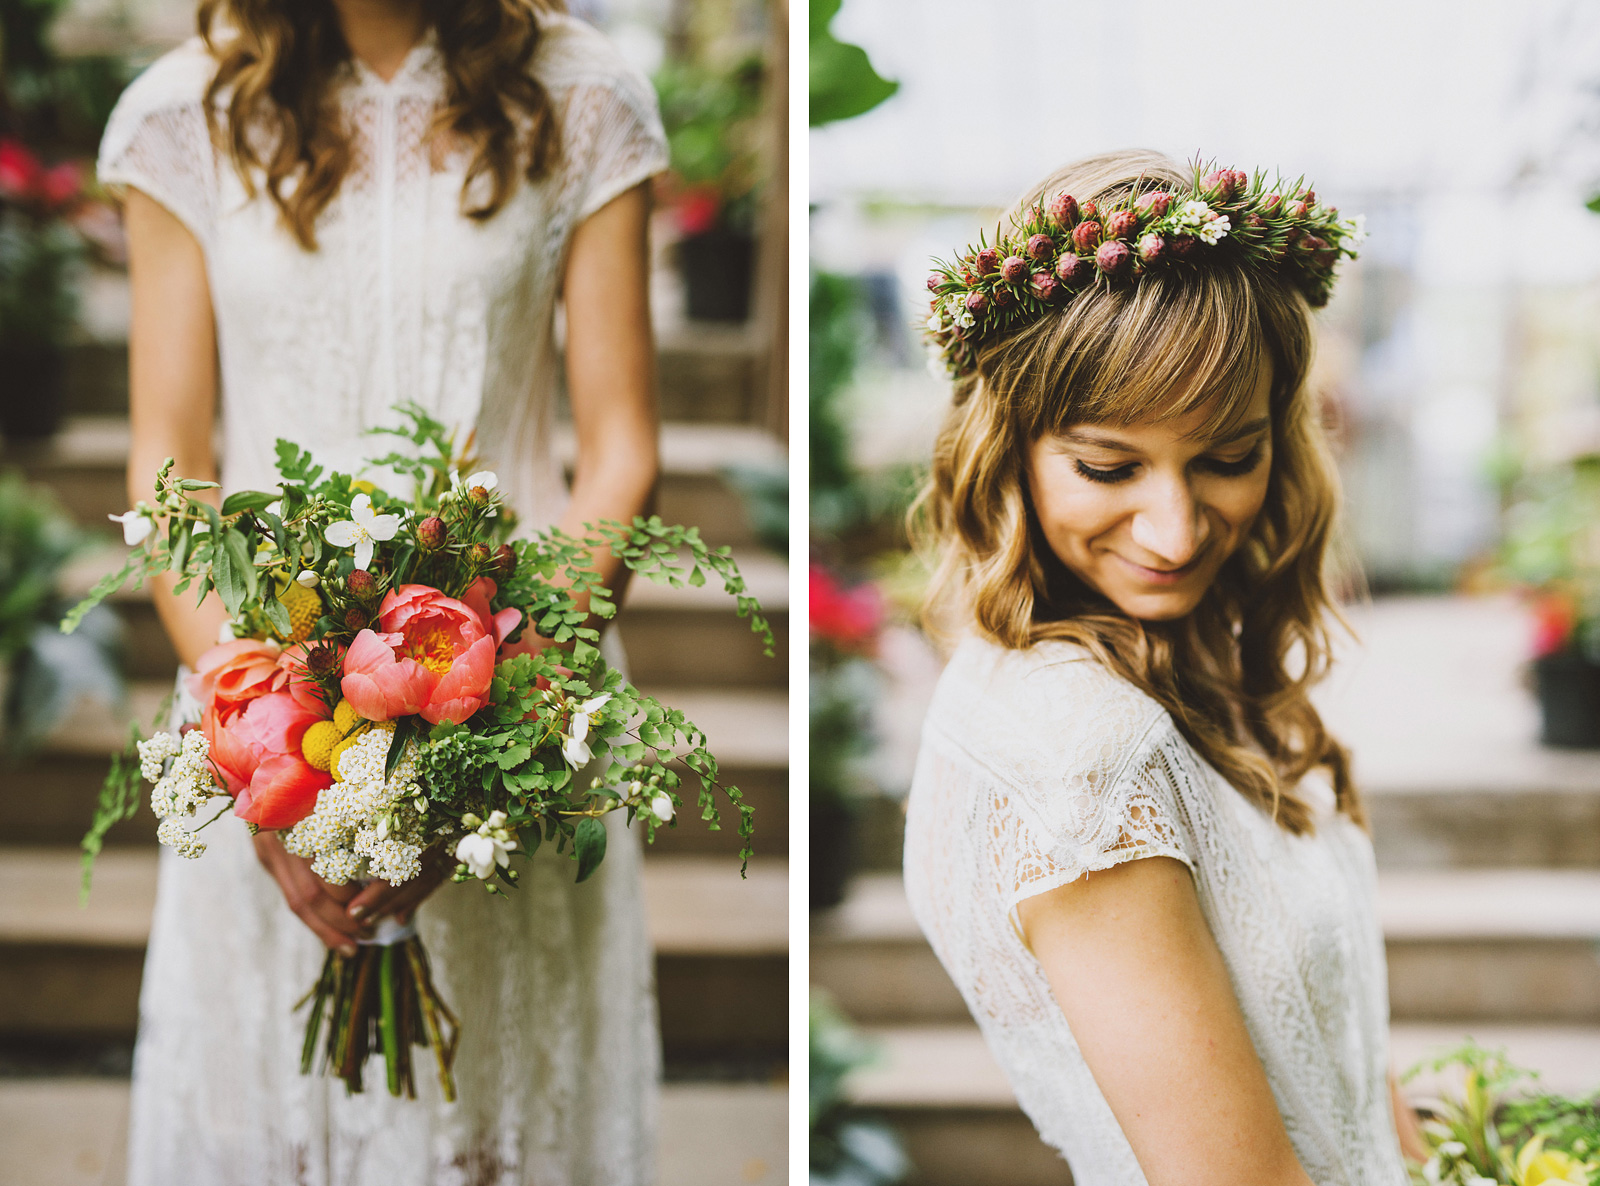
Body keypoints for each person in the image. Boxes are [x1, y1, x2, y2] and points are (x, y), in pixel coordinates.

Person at [98, 0, 665, 1180]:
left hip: (517, 698)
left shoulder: (584, 96)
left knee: (498, 1133)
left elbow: (618, 450)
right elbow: (168, 466)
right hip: (257, 685)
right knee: (274, 1129)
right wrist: (263, 741)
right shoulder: (176, 118)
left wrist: (503, 714)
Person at [901, 149, 1430, 1185]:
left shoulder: (1172, 672)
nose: (1177, 530)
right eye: (1108, 467)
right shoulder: (1079, 757)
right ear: (1006, 446)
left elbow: (1339, 1069)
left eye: (1226, 458)